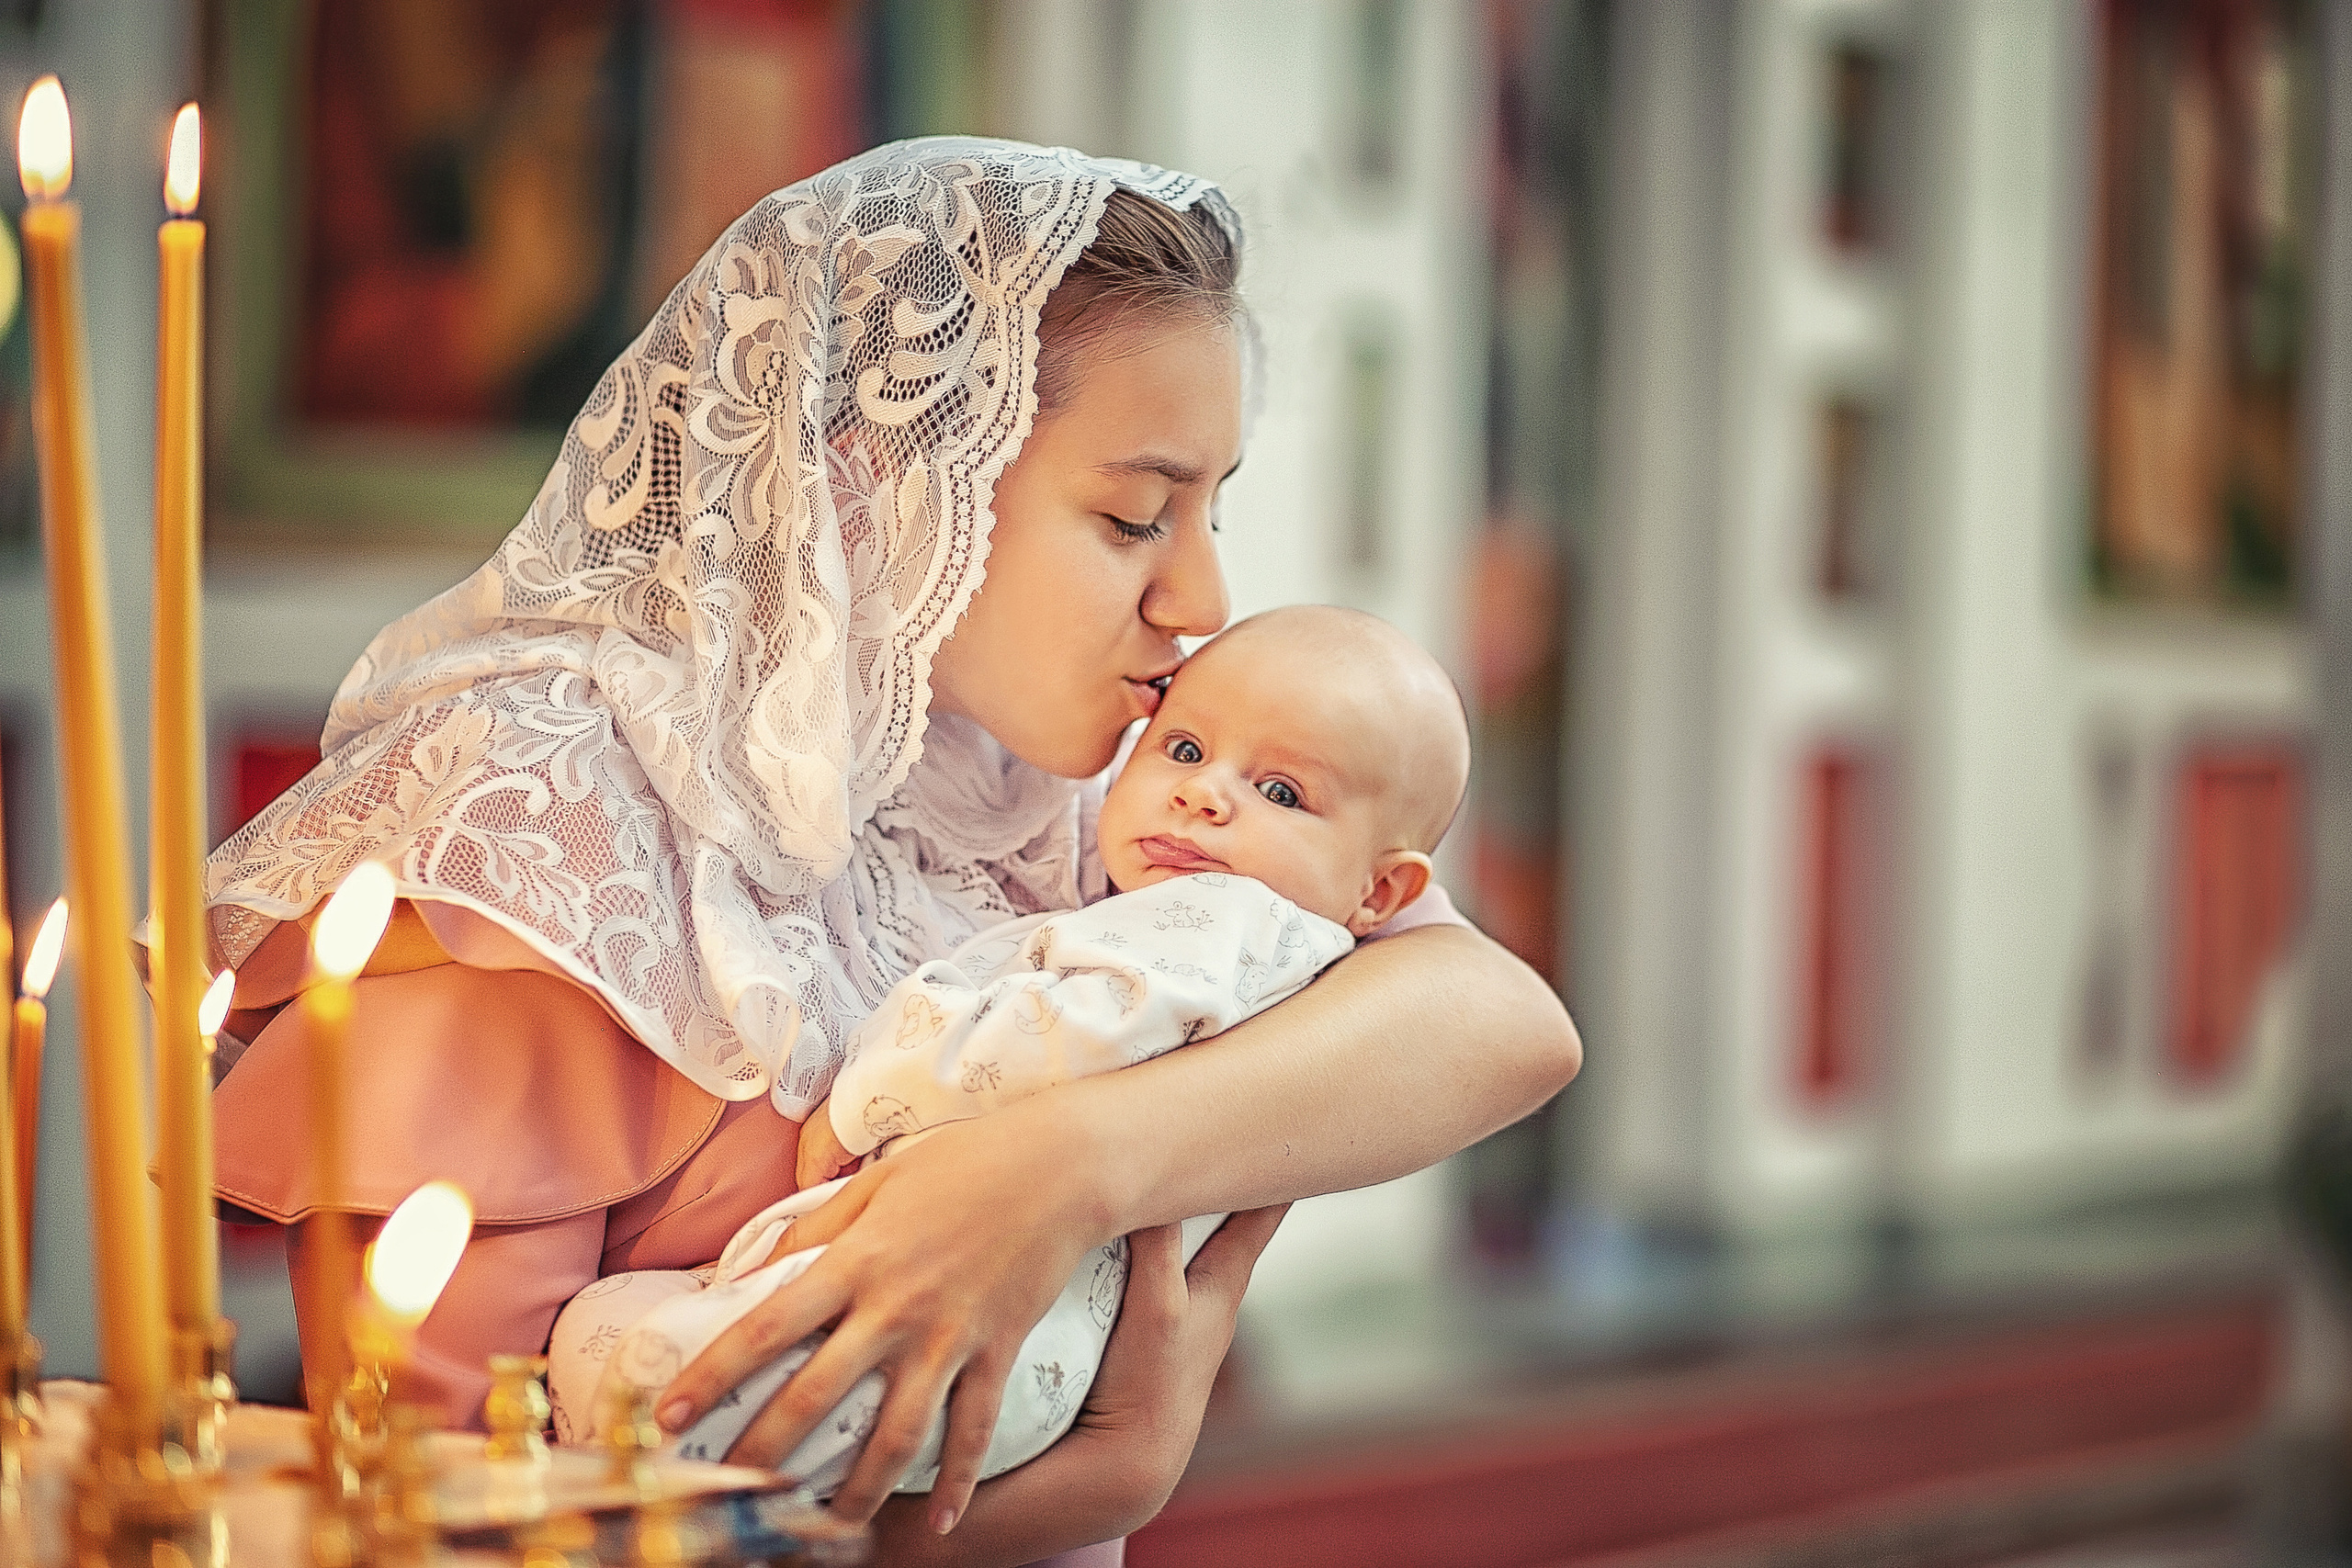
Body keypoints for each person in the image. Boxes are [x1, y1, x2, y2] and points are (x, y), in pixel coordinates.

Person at [205, 139, 1578, 1565]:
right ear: (878, 484)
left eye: (1212, 509)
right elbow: (444, 1524)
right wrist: (1097, 1483)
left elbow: (1503, 1020)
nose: (1204, 596)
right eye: (1133, 516)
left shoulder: (1085, 779)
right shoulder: (540, 828)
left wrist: (1061, 1168)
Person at [547, 605, 1471, 1490]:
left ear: (1380, 893)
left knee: (656, 1373)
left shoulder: (1225, 924)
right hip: (1039, 1355)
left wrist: (867, 1094)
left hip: (1000, 1329)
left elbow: (1051, 1043)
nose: (1202, 793)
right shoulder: (1293, 949)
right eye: (1184, 749)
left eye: (1280, 792)